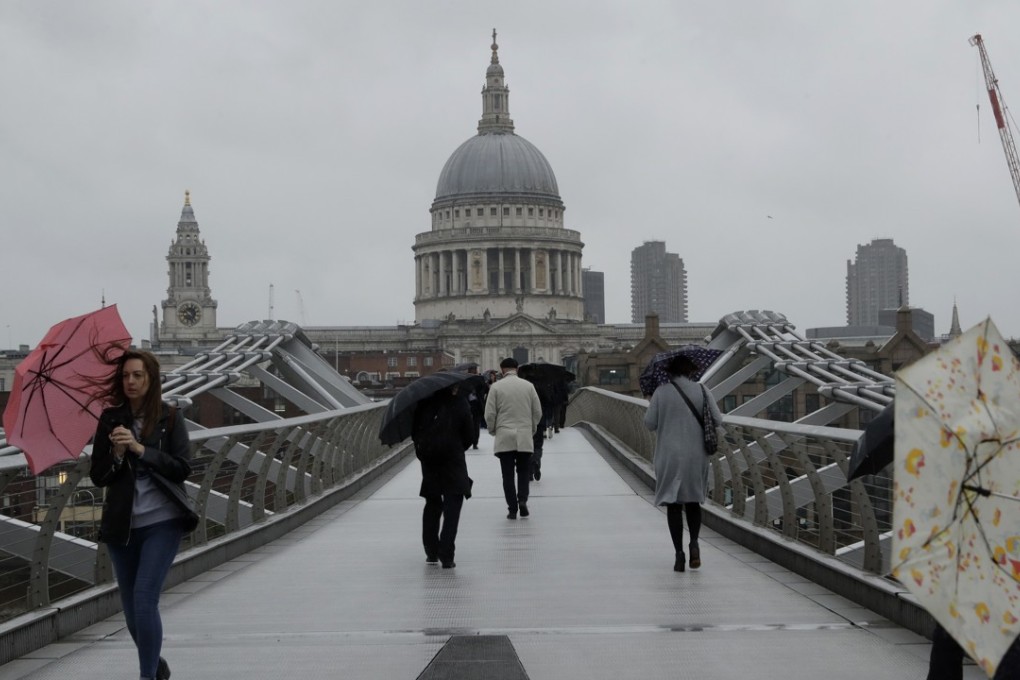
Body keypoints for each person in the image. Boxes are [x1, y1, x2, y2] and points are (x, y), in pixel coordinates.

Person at [89, 350, 199, 680]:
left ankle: (146, 676)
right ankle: (158, 666)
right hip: (123, 526)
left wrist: (140, 450)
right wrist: (119, 454)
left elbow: (182, 468)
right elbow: (99, 476)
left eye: (138, 375)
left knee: (144, 600)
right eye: (125, 376)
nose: (131, 381)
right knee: (133, 614)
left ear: (151, 380)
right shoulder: (110, 419)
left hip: (162, 522)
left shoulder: (169, 417)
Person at [643, 354, 722, 572]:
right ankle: (694, 543)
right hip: (696, 455)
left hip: (669, 455)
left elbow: (649, 423)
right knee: (694, 501)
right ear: (691, 370)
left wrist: (655, 404)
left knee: (674, 504)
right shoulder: (703, 390)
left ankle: (679, 555)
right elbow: (718, 419)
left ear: (670, 371)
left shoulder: (661, 392)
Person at [412, 384, 475, 568]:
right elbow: (469, 435)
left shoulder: (423, 405)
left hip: (430, 461)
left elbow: (415, 433)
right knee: (453, 506)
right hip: (453, 460)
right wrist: (456, 446)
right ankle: (447, 554)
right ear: (452, 387)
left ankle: (431, 551)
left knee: (432, 503)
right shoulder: (460, 403)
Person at [484, 358, 542, 520]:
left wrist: (493, 430)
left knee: (507, 475)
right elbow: (537, 412)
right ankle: (522, 500)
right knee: (523, 472)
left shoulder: (495, 387)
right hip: (524, 435)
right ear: (517, 369)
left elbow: (489, 414)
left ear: (502, 369)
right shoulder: (528, 386)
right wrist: (531, 428)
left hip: (504, 436)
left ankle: (512, 508)